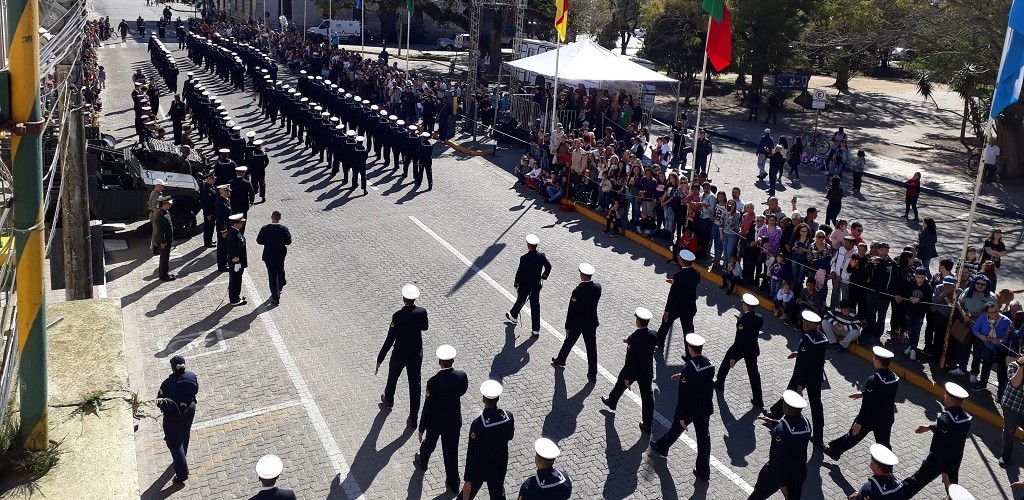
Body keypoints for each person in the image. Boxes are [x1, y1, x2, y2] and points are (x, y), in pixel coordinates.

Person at [649, 333, 715, 482]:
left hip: (691, 409)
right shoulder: (709, 364)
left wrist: (682, 416)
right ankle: (704, 471)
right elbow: (701, 381)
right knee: (704, 440)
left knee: (676, 428)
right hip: (704, 408)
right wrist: (684, 377)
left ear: (690, 348)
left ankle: (662, 447)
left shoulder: (689, 369)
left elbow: (685, 396)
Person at [823, 347, 898, 461]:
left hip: (870, 417)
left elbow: (867, 405)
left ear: (878, 361)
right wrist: (864, 393)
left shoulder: (873, 380)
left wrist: (859, 422)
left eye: (875, 358)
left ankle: (835, 451)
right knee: (884, 445)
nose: (873, 359)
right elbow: (884, 395)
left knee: (853, 436)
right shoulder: (894, 378)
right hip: (886, 418)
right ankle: (887, 470)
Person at [900, 382, 972, 497]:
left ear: (949, 399)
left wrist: (944, 470)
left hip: (938, 460)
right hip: (955, 460)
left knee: (916, 481)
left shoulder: (945, 418)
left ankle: (896, 495)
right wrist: (929, 427)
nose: (944, 396)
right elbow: (951, 434)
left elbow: (942, 446)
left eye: (945, 395)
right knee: (953, 490)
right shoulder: (965, 419)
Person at [414, 345, 469, 496]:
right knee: (451, 452)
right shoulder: (461, 376)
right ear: (453, 360)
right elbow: (463, 391)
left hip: (436, 421)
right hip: (452, 421)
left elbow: (427, 406)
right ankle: (453, 482)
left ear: (439, 361)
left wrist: (421, 427)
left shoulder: (433, 382)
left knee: (430, 442)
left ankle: (422, 460)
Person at [766, 310, 827, 443]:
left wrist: (799, 384)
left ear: (813, 325)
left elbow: (802, 364)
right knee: (817, 406)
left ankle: (775, 414)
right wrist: (799, 352)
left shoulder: (807, 338)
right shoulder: (822, 338)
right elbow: (814, 357)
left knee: (790, 393)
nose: (804, 324)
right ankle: (818, 436)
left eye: (807, 323)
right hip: (816, 377)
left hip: (803, 376)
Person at [377, 284, 429, 428]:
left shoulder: (398, 316)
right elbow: (425, 327)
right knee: (415, 385)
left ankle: (388, 399)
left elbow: (390, 339)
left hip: (399, 353)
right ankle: (413, 418)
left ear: (403, 299)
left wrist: (380, 358)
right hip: (415, 354)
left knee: (393, 376)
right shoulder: (422, 312)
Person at [600, 307, 658, 433]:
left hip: (634, 370)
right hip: (646, 371)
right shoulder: (653, 335)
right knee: (647, 398)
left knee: (621, 381)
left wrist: (627, 377)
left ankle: (612, 401)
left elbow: (630, 360)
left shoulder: (633, 337)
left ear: (638, 321)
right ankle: (647, 425)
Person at [747, 390, 811, 500]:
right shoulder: (806, 424)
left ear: (785, 408)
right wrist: (773, 422)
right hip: (798, 472)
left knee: (758, 495)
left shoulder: (779, 432)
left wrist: (782, 484)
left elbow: (779, 459)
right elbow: (793, 428)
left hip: (777, 474)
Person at [461, 380, 514, 500]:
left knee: (466, 496)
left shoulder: (478, 424)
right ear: (498, 398)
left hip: (480, 467)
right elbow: (510, 436)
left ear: (483, 399)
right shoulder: (508, 416)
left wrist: (467, 480)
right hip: (499, 465)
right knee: (498, 494)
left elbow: (472, 453)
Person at [552, 263, 602, 382]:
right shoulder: (598, 288)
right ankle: (592, 374)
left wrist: (567, 326)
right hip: (591, 323)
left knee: (569, 341)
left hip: (578, 324)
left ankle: (561, 359)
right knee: (591, 349)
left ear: (582, 275)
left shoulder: (577, 291)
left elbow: (572, 311)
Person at [715, 293, 764, 408]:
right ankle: (758, 399)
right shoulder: (759, 318)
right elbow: (754, 326)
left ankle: (720, 383)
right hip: (752, 348)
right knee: (753, 374)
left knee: (726, 361)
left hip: (741, 348)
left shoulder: (743, 320)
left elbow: (739, 339)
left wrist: (734, 356)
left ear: (746, 305)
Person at [156, 355, 198, 483]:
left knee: (175, 445)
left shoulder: (167, 384)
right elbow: (195, 390)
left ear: (173, 368)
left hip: (173, 417)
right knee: (185, 433)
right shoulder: (191, 376)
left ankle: (182, 473)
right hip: (190, 411)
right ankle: (183, 455)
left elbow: (160, 402)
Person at [505, 234, 552, 337]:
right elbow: (548, 267)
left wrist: (516, 283)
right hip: (536, 286)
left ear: (528, 245)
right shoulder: (541, 256)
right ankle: (535, 329)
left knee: (521, 300)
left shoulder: (524, 258)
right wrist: (543, 277)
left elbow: (519, 272)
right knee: (535, 307)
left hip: (524, 285)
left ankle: (513, 316)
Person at [655, 249, 701, 350]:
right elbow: (688, 284)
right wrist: (675, 282)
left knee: (665, 325)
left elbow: (672, 296)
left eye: (680, 258)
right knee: (688, 331)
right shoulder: (696, 274)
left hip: (675, 307)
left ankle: (660, 343)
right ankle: (690, 353)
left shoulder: (678, 276)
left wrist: (667, 310)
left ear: (682, 261)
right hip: (689, 307)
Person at [256, 211, 292, 305]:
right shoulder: (283, 229)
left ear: (271, 217)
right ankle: (280, 284)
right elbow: (288, 241)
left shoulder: (265, 228)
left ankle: (275, 298)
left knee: (272, 275)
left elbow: (259, 240)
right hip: (280, 254)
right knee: (280, 269)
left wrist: (267, 242)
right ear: (280, 218)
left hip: (268, 255)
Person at [999, 355, 1024, 467]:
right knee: (1009, 431)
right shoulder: (1013, 365)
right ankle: (1006, 454)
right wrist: (1021, 367)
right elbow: (1015, 383)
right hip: (1012, 406)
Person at [225, 214, 248, 306]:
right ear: (235, 224)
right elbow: (233, 251)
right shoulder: (233, 236)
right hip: (236, 263)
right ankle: (234, 300)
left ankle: (236, 296)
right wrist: (236, 263)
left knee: (237, 280)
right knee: (235, 280)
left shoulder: (235, 232)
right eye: (240, 222)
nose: (242, 224)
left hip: (238, 262)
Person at [154, 195, 175, 281]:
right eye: (168, 204)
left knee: (166, 257)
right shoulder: (161, 216)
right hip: (163, 241)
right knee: (164, 258)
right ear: (163, 205)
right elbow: (160, 230)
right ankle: (163, 276)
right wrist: (163, 242)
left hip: (167, 240)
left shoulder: (166, 212)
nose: (170, 205)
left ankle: (165, 273)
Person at [214, 184, 232, 272]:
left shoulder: (225, 200)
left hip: (226, 228)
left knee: (225, 247)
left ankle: (224, 263)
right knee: (222, 248)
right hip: (223, 229)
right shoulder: (220, 202)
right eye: (226, 191)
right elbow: (221, 219)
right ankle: (222, 266)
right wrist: (223, 231)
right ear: (221, 191)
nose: (228, 193)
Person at [149, 178, 167, 254]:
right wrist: (158, 218)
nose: (164, 187)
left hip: (157, 213)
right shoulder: (156, 195)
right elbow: (154, 208)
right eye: (162, 185)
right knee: (156, 231)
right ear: (157, 185)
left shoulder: (158, 193)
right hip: (155, 214)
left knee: (158, 231)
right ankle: (155, 248)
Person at [198, 172, 217, 248]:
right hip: (209, 212)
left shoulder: (210, 186)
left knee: (211, 227)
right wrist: (208, 214)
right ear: (208, 179)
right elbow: (206, 203)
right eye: (213, 178)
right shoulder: (206, 189)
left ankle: (209, 240)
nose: (214, 179)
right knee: (208, 227)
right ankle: (207, 243)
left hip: (212, 211)